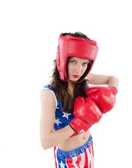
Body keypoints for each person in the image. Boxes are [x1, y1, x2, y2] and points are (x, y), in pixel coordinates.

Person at [40, 32, 119, 168]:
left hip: (88, 145)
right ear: (63, 59)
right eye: (74, 62)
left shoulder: (82, 78)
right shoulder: (50, 93)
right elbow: (45, 142)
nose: (79, 69)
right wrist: (77, 124)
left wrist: (111, 93)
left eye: (84, 64)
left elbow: (112, 79)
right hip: (69, 159)